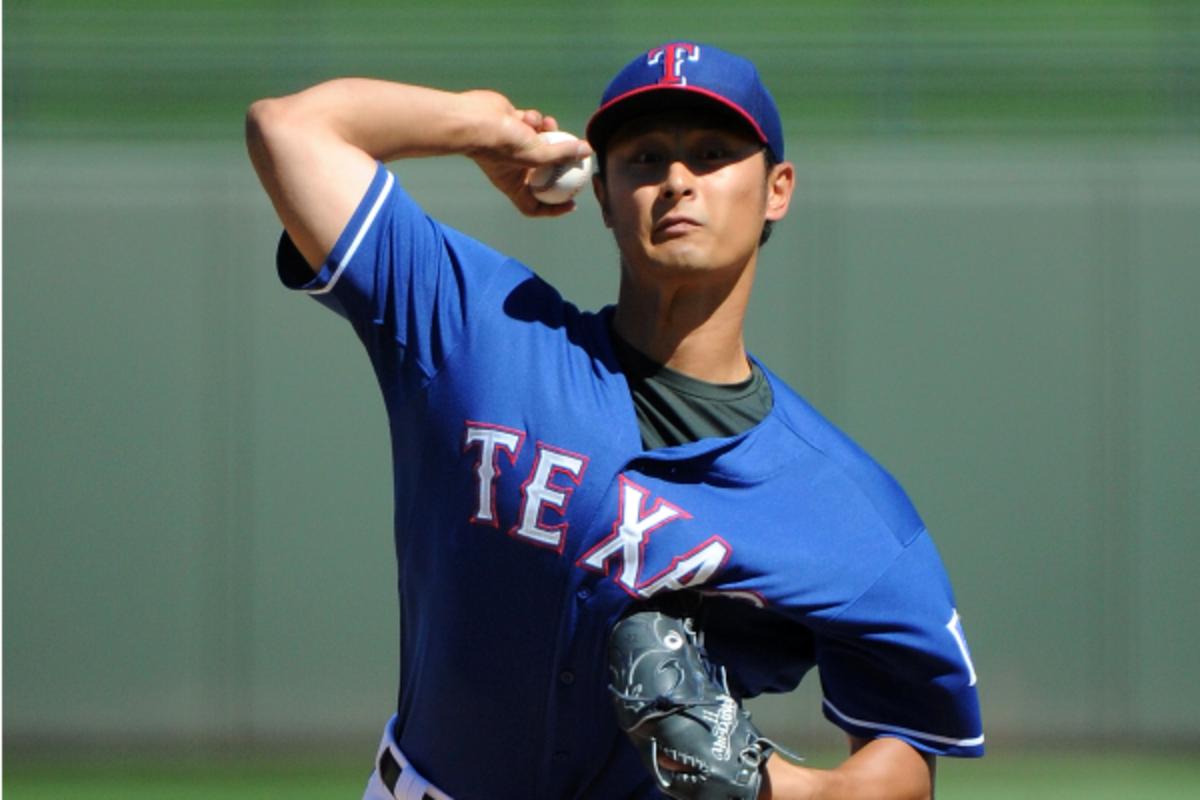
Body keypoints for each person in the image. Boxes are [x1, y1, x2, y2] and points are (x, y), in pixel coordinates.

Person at [246, 41, 983, 800]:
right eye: (644, 158)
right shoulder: (478, 328)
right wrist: (480, 124)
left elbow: (904, 764)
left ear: (777, 189)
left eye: (712, 153)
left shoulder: (848, 509)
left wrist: (776, 786)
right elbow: (290, 130)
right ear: (602, 194)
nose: (676, 182)